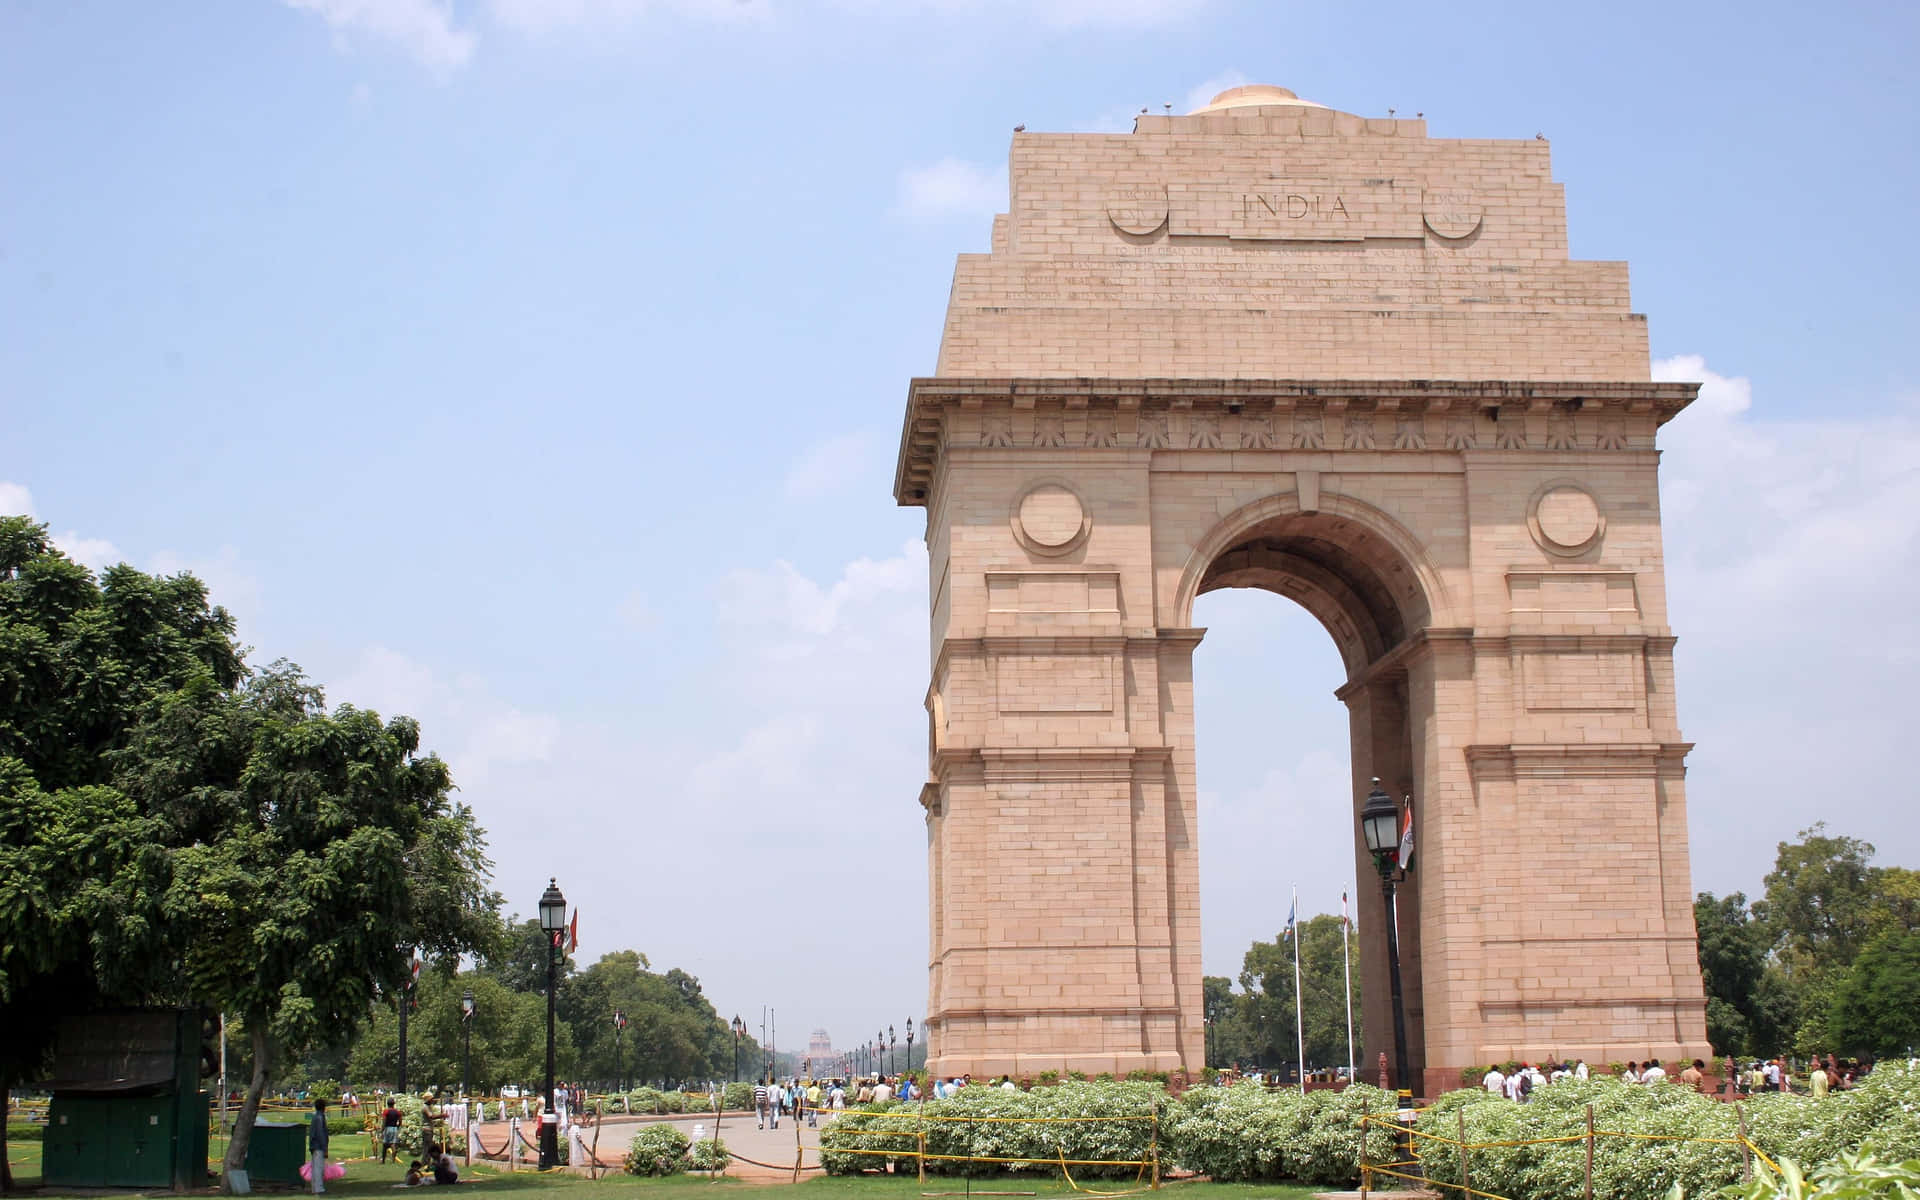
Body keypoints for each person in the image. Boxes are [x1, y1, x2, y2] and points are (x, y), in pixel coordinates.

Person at [308, 1098, 330, 1195]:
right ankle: (319, 1188)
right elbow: (321, 1133)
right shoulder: (320, 1117)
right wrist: (325, 1147)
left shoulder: (315, 1116)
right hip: (318, 1146)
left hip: (314, 1145)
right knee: (318, 1168)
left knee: (315, 1168)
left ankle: (314, 1187)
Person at [381, 1098, 404, 1163]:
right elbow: (400, 1121)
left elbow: (384, 1121)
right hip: (394, 1128)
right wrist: (397, 1126)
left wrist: (382, 1130)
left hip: (388, 1128)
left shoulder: (386, 1111)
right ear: (394, 1104)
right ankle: (393, 1160)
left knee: (385, 1145)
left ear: (387, 1104)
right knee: (393, 1143)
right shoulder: (397, 1112)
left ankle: (383, 1161)